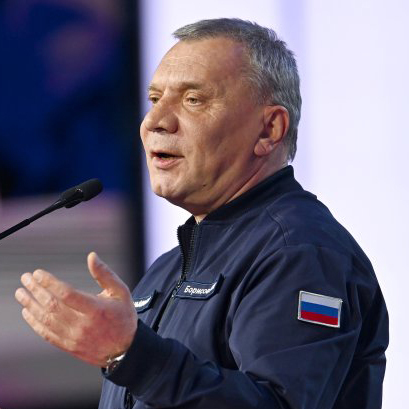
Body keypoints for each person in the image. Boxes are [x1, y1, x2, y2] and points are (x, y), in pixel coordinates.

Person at [15, 18, 388, 409]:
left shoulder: (300, 253)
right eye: (155, 99)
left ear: (269, 130)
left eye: (193, 100)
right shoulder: (166, 269)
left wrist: (132, 355)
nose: (154, 122)